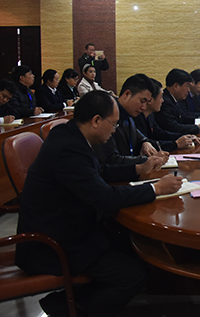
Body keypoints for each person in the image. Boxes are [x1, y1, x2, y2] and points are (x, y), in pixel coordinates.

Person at [15, 91, 182, 317]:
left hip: (69, 225)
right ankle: (66, 307)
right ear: (96, 120)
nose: (114, 130)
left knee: (135, 245)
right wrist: (155, 189)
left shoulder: (71, 134)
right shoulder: (67, 149)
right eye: (113, 124)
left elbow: (98, 172)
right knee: (133, 274)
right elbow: (104, 198)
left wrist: (139, 168)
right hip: (53, 243)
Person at [93, 74, 170, 168]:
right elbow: (110, 159)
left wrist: (145, 143)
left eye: (146, 102)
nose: (144, 107)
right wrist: (146, 161)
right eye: (142, 101)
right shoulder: (107, 115)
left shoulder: (129, 116)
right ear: (127, 94)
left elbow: (140, 137)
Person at [135, 78, 200, 151]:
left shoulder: (150, 115)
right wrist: (175, 144)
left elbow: (160, 133)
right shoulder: (136, 117)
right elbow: (143, 145)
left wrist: (185, 137)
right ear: (150, 100)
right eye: (160, 97)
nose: (162, 101)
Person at [155, 69, 200, 134]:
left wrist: (199, 118)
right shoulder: (164, 102)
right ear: (176, 86)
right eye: (187, 86)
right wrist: (198, 127)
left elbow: (183, 118)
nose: (188, 90)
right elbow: (172, 127)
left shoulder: (174, 98)